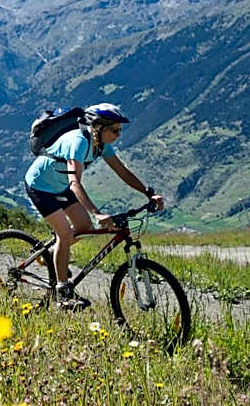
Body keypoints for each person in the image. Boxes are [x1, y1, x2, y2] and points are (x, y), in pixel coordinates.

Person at [24, 103, 164, 310]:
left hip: (61, 187)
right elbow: (75, 183)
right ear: (99, 127)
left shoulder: (102, 145)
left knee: (83, 227)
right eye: (114, 130)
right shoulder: (78, 142)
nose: (118, 134)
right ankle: (62, 293)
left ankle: (53, 253)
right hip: (40, 186)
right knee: (64, 232)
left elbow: (123, 173)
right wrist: (97, 213)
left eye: (120, 130)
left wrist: (149, 193)